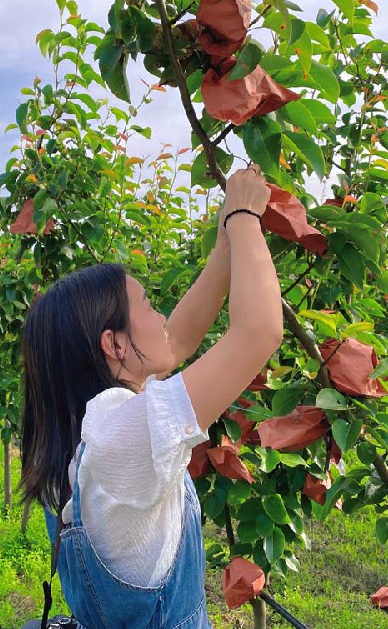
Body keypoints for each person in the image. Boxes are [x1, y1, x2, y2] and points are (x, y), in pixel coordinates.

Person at [19, 164, 283, 628]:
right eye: (145, 304)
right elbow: (258, 332)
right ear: (114, 344)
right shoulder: (123, 441)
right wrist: (245, 216)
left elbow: (176, 341)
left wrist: (225, 245)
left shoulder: (96, 429)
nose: (159, 312)